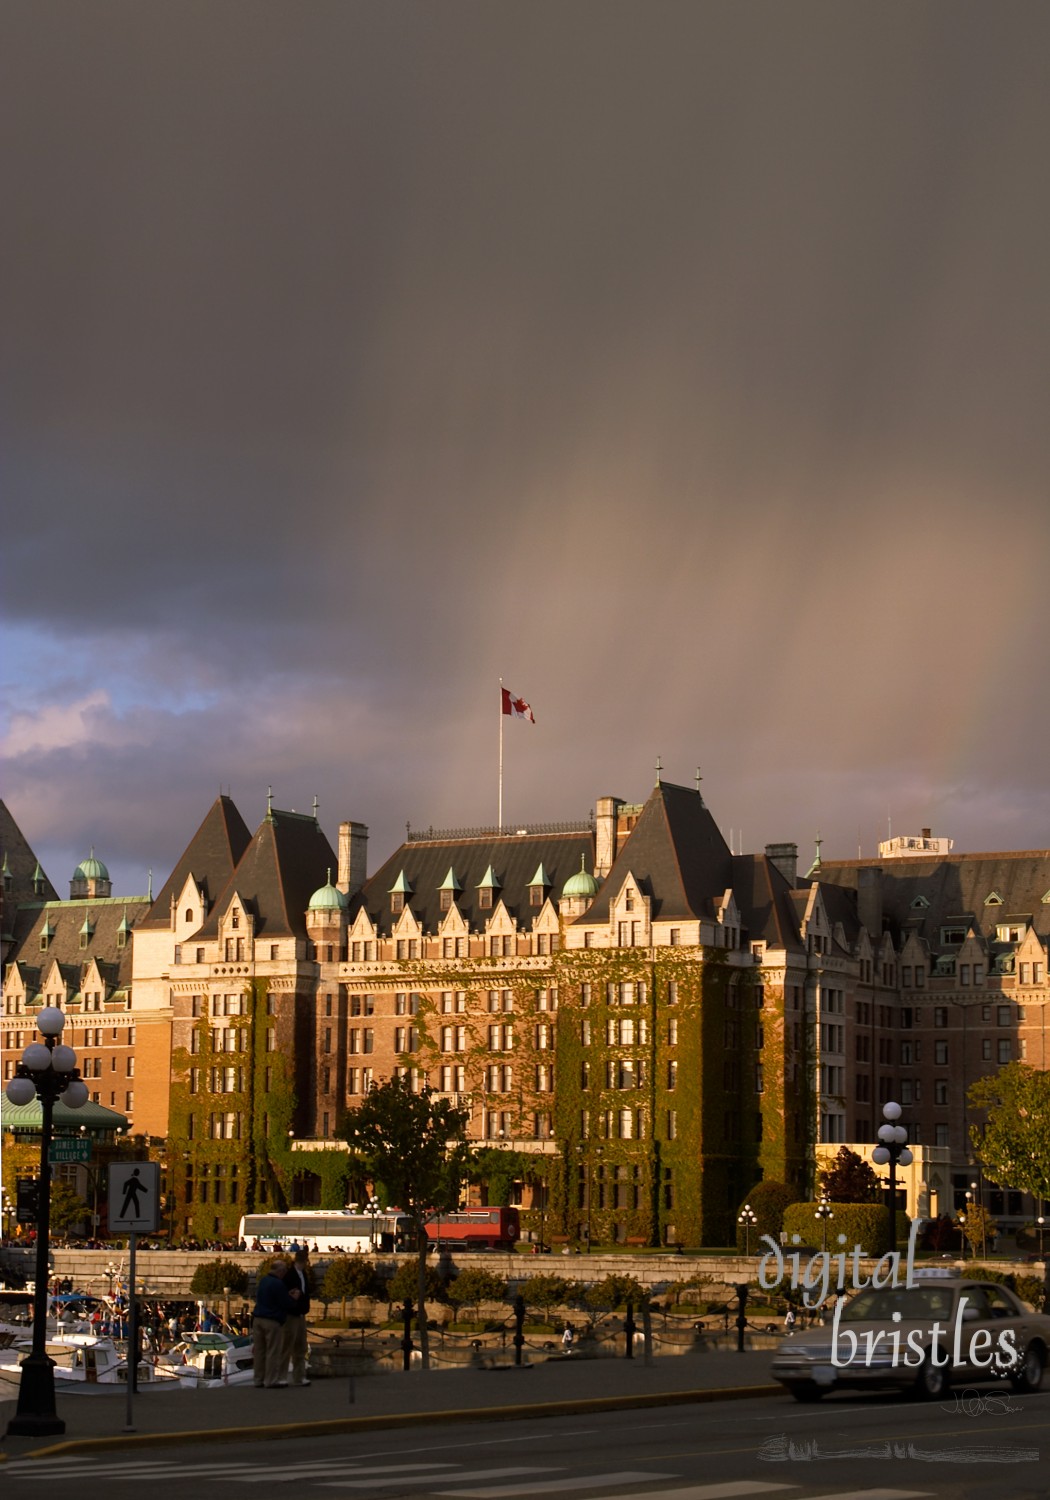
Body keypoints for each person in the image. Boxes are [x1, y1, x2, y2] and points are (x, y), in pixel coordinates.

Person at [251, 1257, 300, 1388]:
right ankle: (271, 1380)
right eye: (284, 1271)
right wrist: (294, 1298)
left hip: (258, 1319)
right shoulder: (278, 1284)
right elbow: (286, 1303)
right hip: (272, 1321)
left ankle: (258, 1379)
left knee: (259, 1351)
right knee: (273, 1351)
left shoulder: (263, 1281)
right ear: (281, 1271)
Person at [282, 1247, 312, 1387]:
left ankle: (299, 1377)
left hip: (300, 1314)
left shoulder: (303, 1274)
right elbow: (284, 1292)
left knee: (301, 1347)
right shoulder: (290, 1275)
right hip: (291, 1315)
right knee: (287, 1346)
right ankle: (281, 1376)